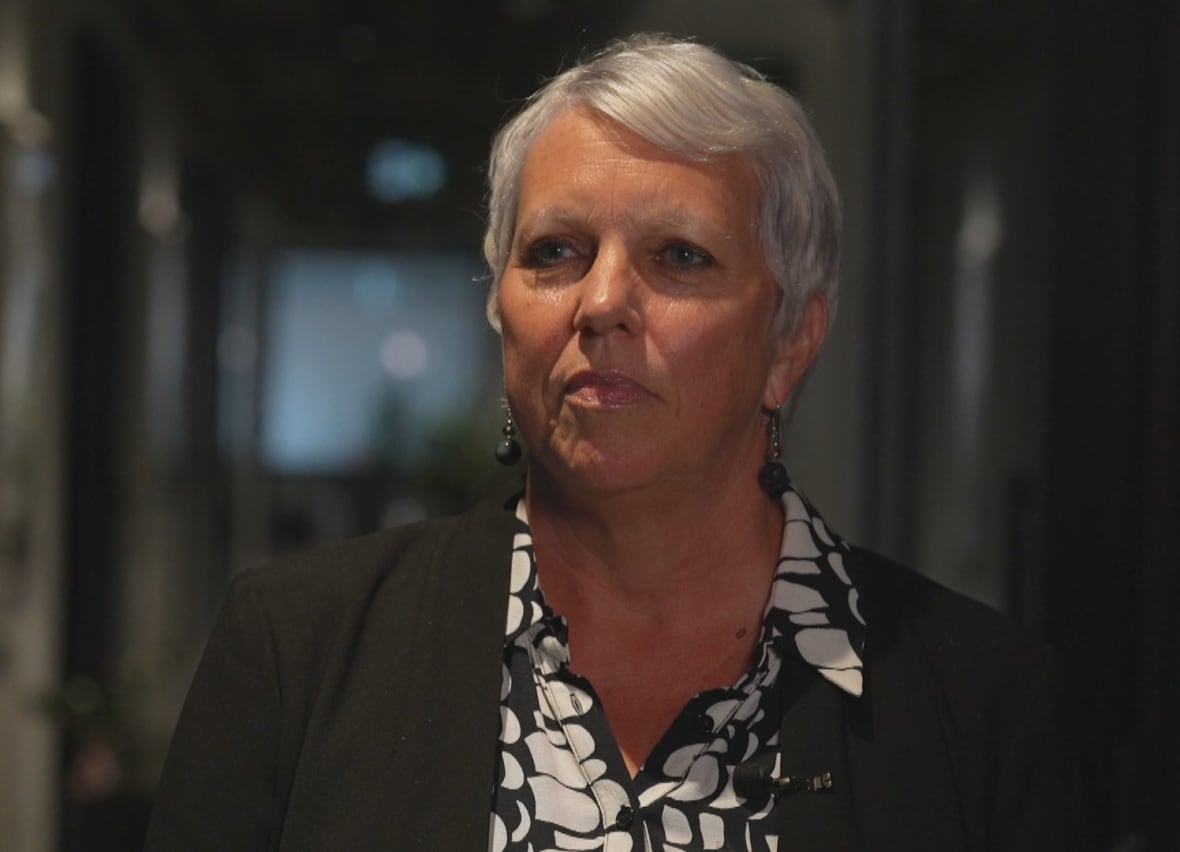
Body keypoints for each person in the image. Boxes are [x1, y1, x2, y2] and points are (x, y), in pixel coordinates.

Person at [144, 34, 1081, 851]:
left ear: (790, 343)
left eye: (680, 256)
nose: (600, 304)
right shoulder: (297, 651)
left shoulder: (982, 706)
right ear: (502, 312)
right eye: (555, 252)